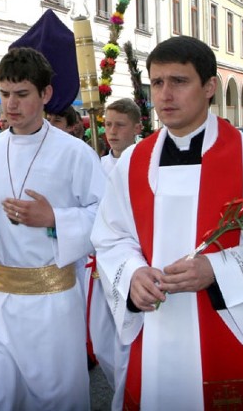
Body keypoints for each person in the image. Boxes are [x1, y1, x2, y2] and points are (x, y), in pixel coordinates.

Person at [91, 36, 243, 410]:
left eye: (179, 81)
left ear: (209, 86)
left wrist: (216, 270)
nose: (165, 94)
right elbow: (110, 237)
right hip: (154, 331)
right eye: (158, 82)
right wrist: (132, 274)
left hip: (228, 328)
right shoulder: (132, 161)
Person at [0, 47, 106, 410]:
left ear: (45, 94)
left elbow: (105, 218)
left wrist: (54, 219)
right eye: (5, 94)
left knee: (53, 399)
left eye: (22, 95)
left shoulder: (74, 153)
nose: (11, 105)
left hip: (52, 303)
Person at [89, 97, 143, 386]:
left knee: (131, 337)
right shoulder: (97, 165)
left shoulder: (147, 162)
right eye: (107, 124)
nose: (111, 131)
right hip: (101, 267)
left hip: (136, 264)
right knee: (102, 342)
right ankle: (119, 389)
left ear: (136, 127)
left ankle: (132, 391)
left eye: (120, 125)